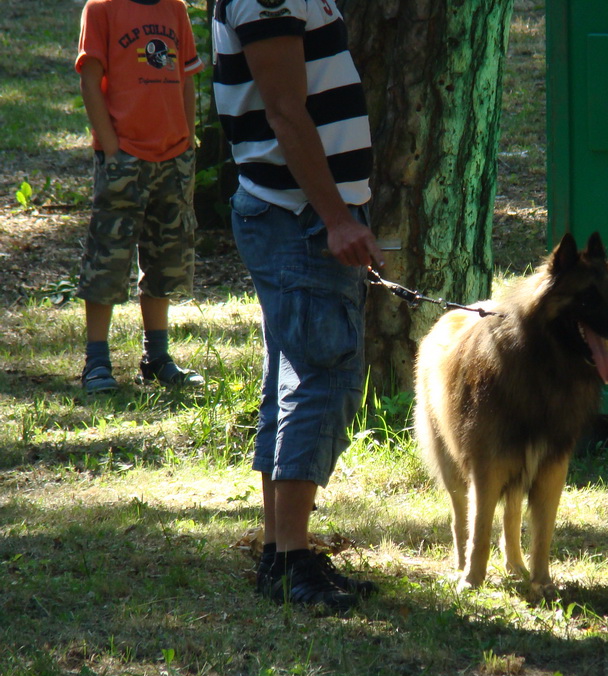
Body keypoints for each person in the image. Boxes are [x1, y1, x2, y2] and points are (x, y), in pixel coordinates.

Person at [213, 0, 382, 613]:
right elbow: (285, 108)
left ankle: (282, 550)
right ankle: (290, 560)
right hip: (300, 217)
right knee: (319, 376)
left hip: (297, 213)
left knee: (292, 376)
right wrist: (336, 218)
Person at [75, 0, 206, 393]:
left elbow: (185, 79)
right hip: (124, 158)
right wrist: (112, 149)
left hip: (173, 157)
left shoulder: (175, 10)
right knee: (107, 257)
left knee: (166, 257)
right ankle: (97, 361)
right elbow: (89, 79)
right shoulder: (101, 9)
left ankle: (157, 358)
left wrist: (186, 142)